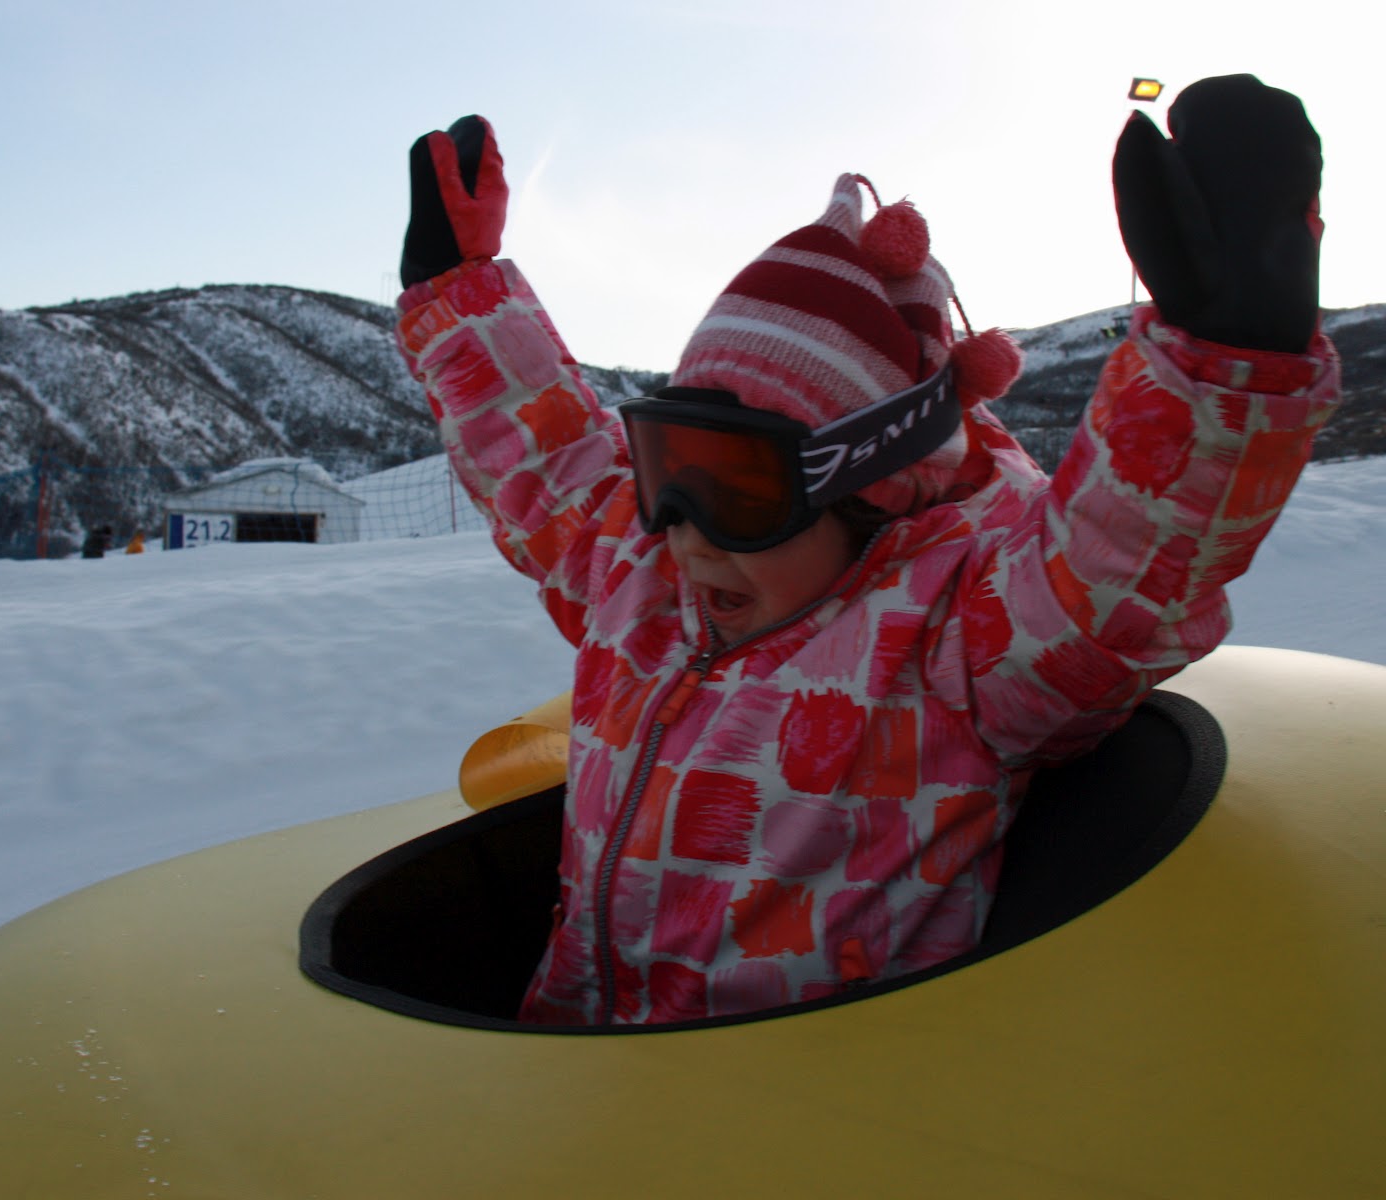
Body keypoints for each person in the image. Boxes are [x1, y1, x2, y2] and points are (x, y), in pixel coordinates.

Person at [392, 75, 1340, 1026]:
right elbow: (550, 460)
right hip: (572, 1055)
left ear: (866, 492)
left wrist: (1226, 366)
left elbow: (1120, 560)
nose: (684, 531)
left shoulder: (952, 652)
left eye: (735, 485)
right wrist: (458, 293)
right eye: (666, 464)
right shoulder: (640, 579)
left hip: (801, 1092)